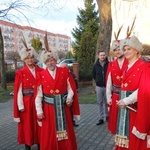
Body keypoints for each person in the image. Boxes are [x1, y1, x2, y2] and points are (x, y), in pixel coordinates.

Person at [35, 49, 80, 150]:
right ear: (44, 62)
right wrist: (39, 111)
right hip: (48, 110)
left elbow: (71, 88)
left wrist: (69, 97)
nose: (50, 63)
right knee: (49, 133)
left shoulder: (64, 71)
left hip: (64, 108)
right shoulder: (41, 75)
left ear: (55, 60)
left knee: (67, 132)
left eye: (52, 60)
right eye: (47, 61)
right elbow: (38, 96)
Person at [115, 35, 150, 150]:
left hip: (137, 110)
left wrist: (126, 100)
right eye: (124, 49)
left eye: (129, 49)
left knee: (135, 141)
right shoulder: (126, 67)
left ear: (136, 50)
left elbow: (144, 89)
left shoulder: (144, 66)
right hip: (125, 110)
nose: (125, 52)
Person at [13, 42, 43, 149]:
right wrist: (20, 106)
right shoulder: (20, 73)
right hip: (27, 103)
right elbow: (18, 91)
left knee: (40, 124)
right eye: (27, 58)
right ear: (24, 60)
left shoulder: (41, 70)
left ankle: (41, 145)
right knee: (28, 125)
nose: (30, 60)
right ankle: (28, 146)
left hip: (39, 102)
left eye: (31, 58)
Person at [106, 39, 128, 134]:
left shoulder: (129, 62)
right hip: (115, 96)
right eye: (115, 50)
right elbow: (108, 83)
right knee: (116, 120)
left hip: (127, 96)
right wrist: (108, 98)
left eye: (119, 49)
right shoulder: (111, 64)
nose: (117, 52)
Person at [59, 62, 79, 127]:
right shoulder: (60, 74)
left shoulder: (71, 74)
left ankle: (72, 121)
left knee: (70, 109)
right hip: (63, 95)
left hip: (70, 94)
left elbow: (75, 83)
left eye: (63, 67)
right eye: (61, 67)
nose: (62, 69)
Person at [92, 50, 109, 125]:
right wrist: (98, 81)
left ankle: (108, 116)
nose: (102, 56)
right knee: (100, 102)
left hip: (107, 86)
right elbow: (93, 75)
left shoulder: (109, 64)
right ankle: (101, 118)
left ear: (105, 56)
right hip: (99, 86)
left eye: (103, 55)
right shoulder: (95, 65)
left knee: (107, 102)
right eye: (101, 55)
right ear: (98, 56)